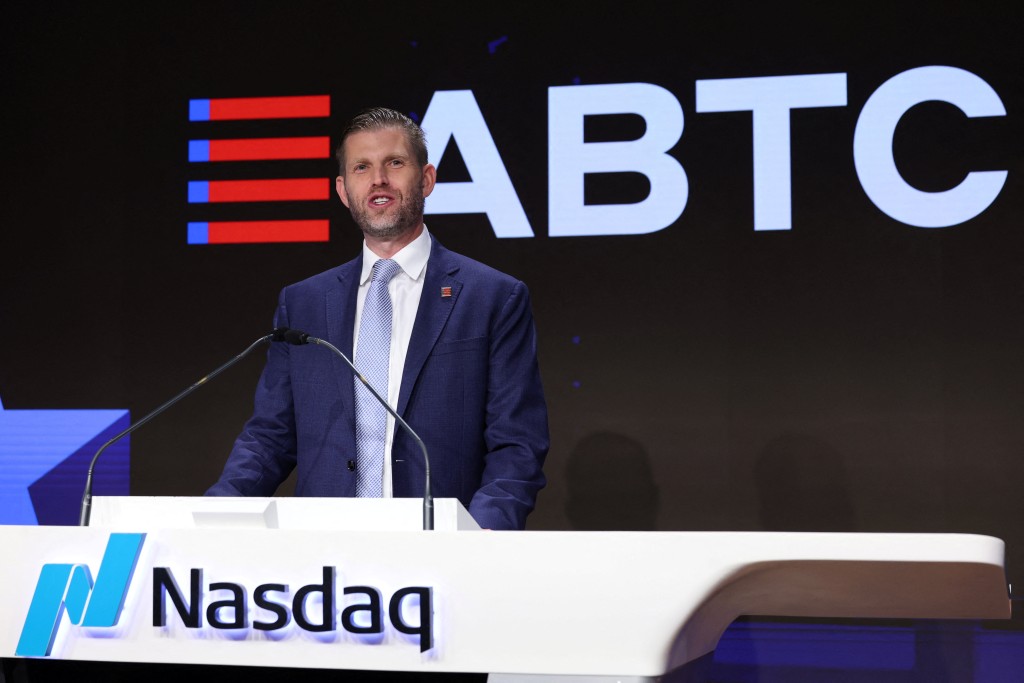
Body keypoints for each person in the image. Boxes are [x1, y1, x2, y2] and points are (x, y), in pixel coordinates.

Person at [207, 108, 549, 530]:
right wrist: (212, 517)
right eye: (362, 167)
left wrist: (478, 539)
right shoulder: (304, 303)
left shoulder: (491, 297)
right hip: (326, 548)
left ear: (426, 179)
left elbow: (517, 444)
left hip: (441, 546)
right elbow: (270, 436)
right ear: (343, 190)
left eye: (395, 163)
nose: (378, 180)